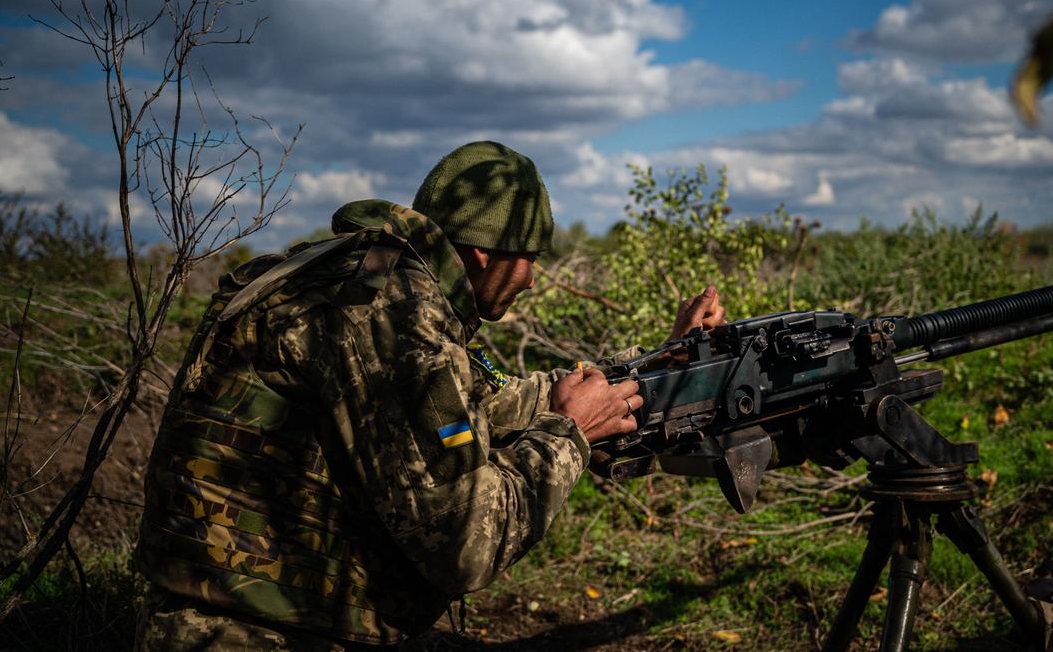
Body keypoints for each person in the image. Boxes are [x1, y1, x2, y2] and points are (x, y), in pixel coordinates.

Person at [134, 141, 726, 650]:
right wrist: (567, 436)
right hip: (255, 634)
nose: (531, 280)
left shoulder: (366, 280)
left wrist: (652, 366)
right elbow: (468, 544)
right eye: (529, 260)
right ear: (484, 255)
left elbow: (487, 406)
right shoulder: (391, 312)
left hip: (243, 616)